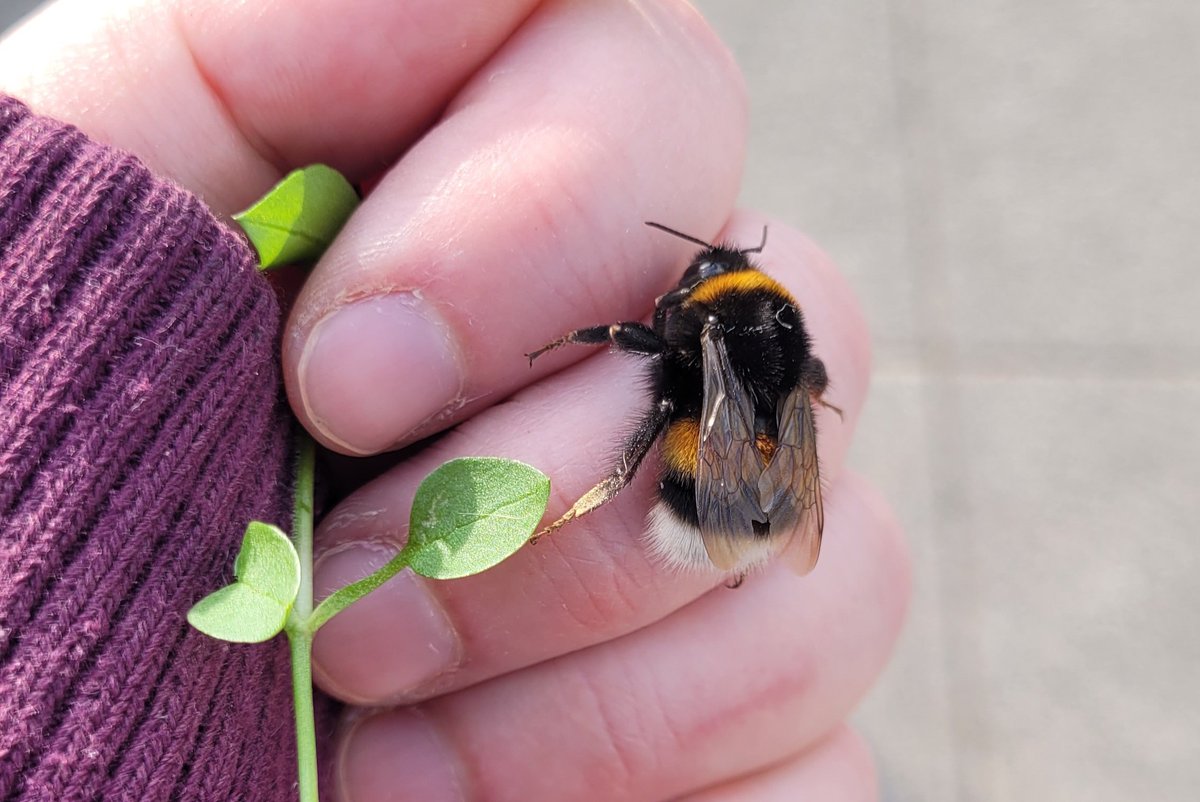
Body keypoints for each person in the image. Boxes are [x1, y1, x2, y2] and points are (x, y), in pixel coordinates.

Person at [0, 1, 909, 800]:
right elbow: (798, 390)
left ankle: (600, 501)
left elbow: (671, 349)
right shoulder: (771, 340)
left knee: (647, 410)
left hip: (694, 491)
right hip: (728, 494)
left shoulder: (706, 323)